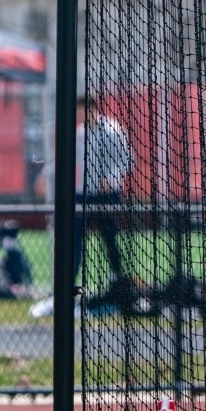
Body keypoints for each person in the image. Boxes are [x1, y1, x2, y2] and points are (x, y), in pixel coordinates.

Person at [76, 93, 133, 292]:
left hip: (108, 194)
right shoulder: (80, 133)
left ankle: (116, 279)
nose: (79, 115)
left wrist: (112, 178)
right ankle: (70, 279)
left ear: (91, 109)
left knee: (109, 237)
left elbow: (127, 161)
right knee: (74, 236)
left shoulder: (112, 130)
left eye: (82, 110)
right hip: (84, 194)